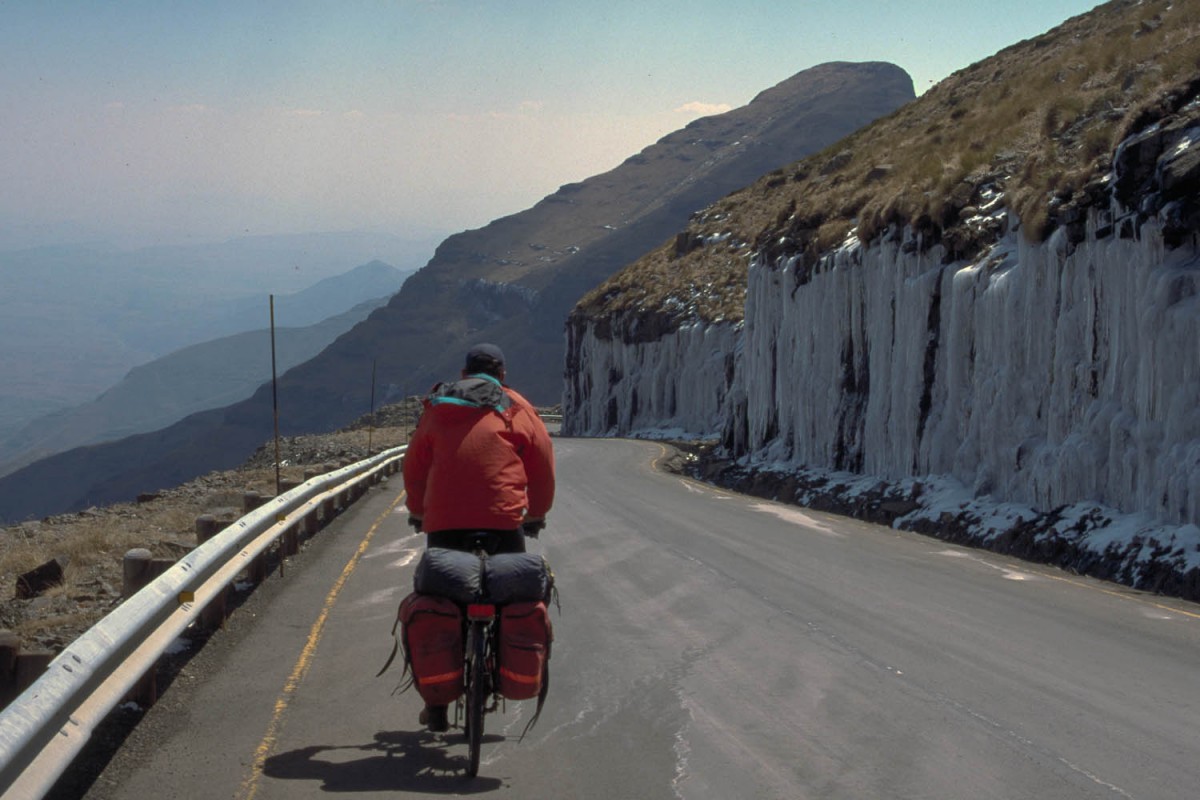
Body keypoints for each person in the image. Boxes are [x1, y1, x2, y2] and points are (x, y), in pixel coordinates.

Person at [402, 343, 556, 731]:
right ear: (501, 373)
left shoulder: (438, 405)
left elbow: (415, 465)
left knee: (439, 601)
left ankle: (436, 704)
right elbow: (541, 461)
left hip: (444, 524)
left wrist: (418, 510)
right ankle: (506, 670)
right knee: (510, 597)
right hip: (502, 523)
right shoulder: (515, 405)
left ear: (465, 372)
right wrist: (536, 512)